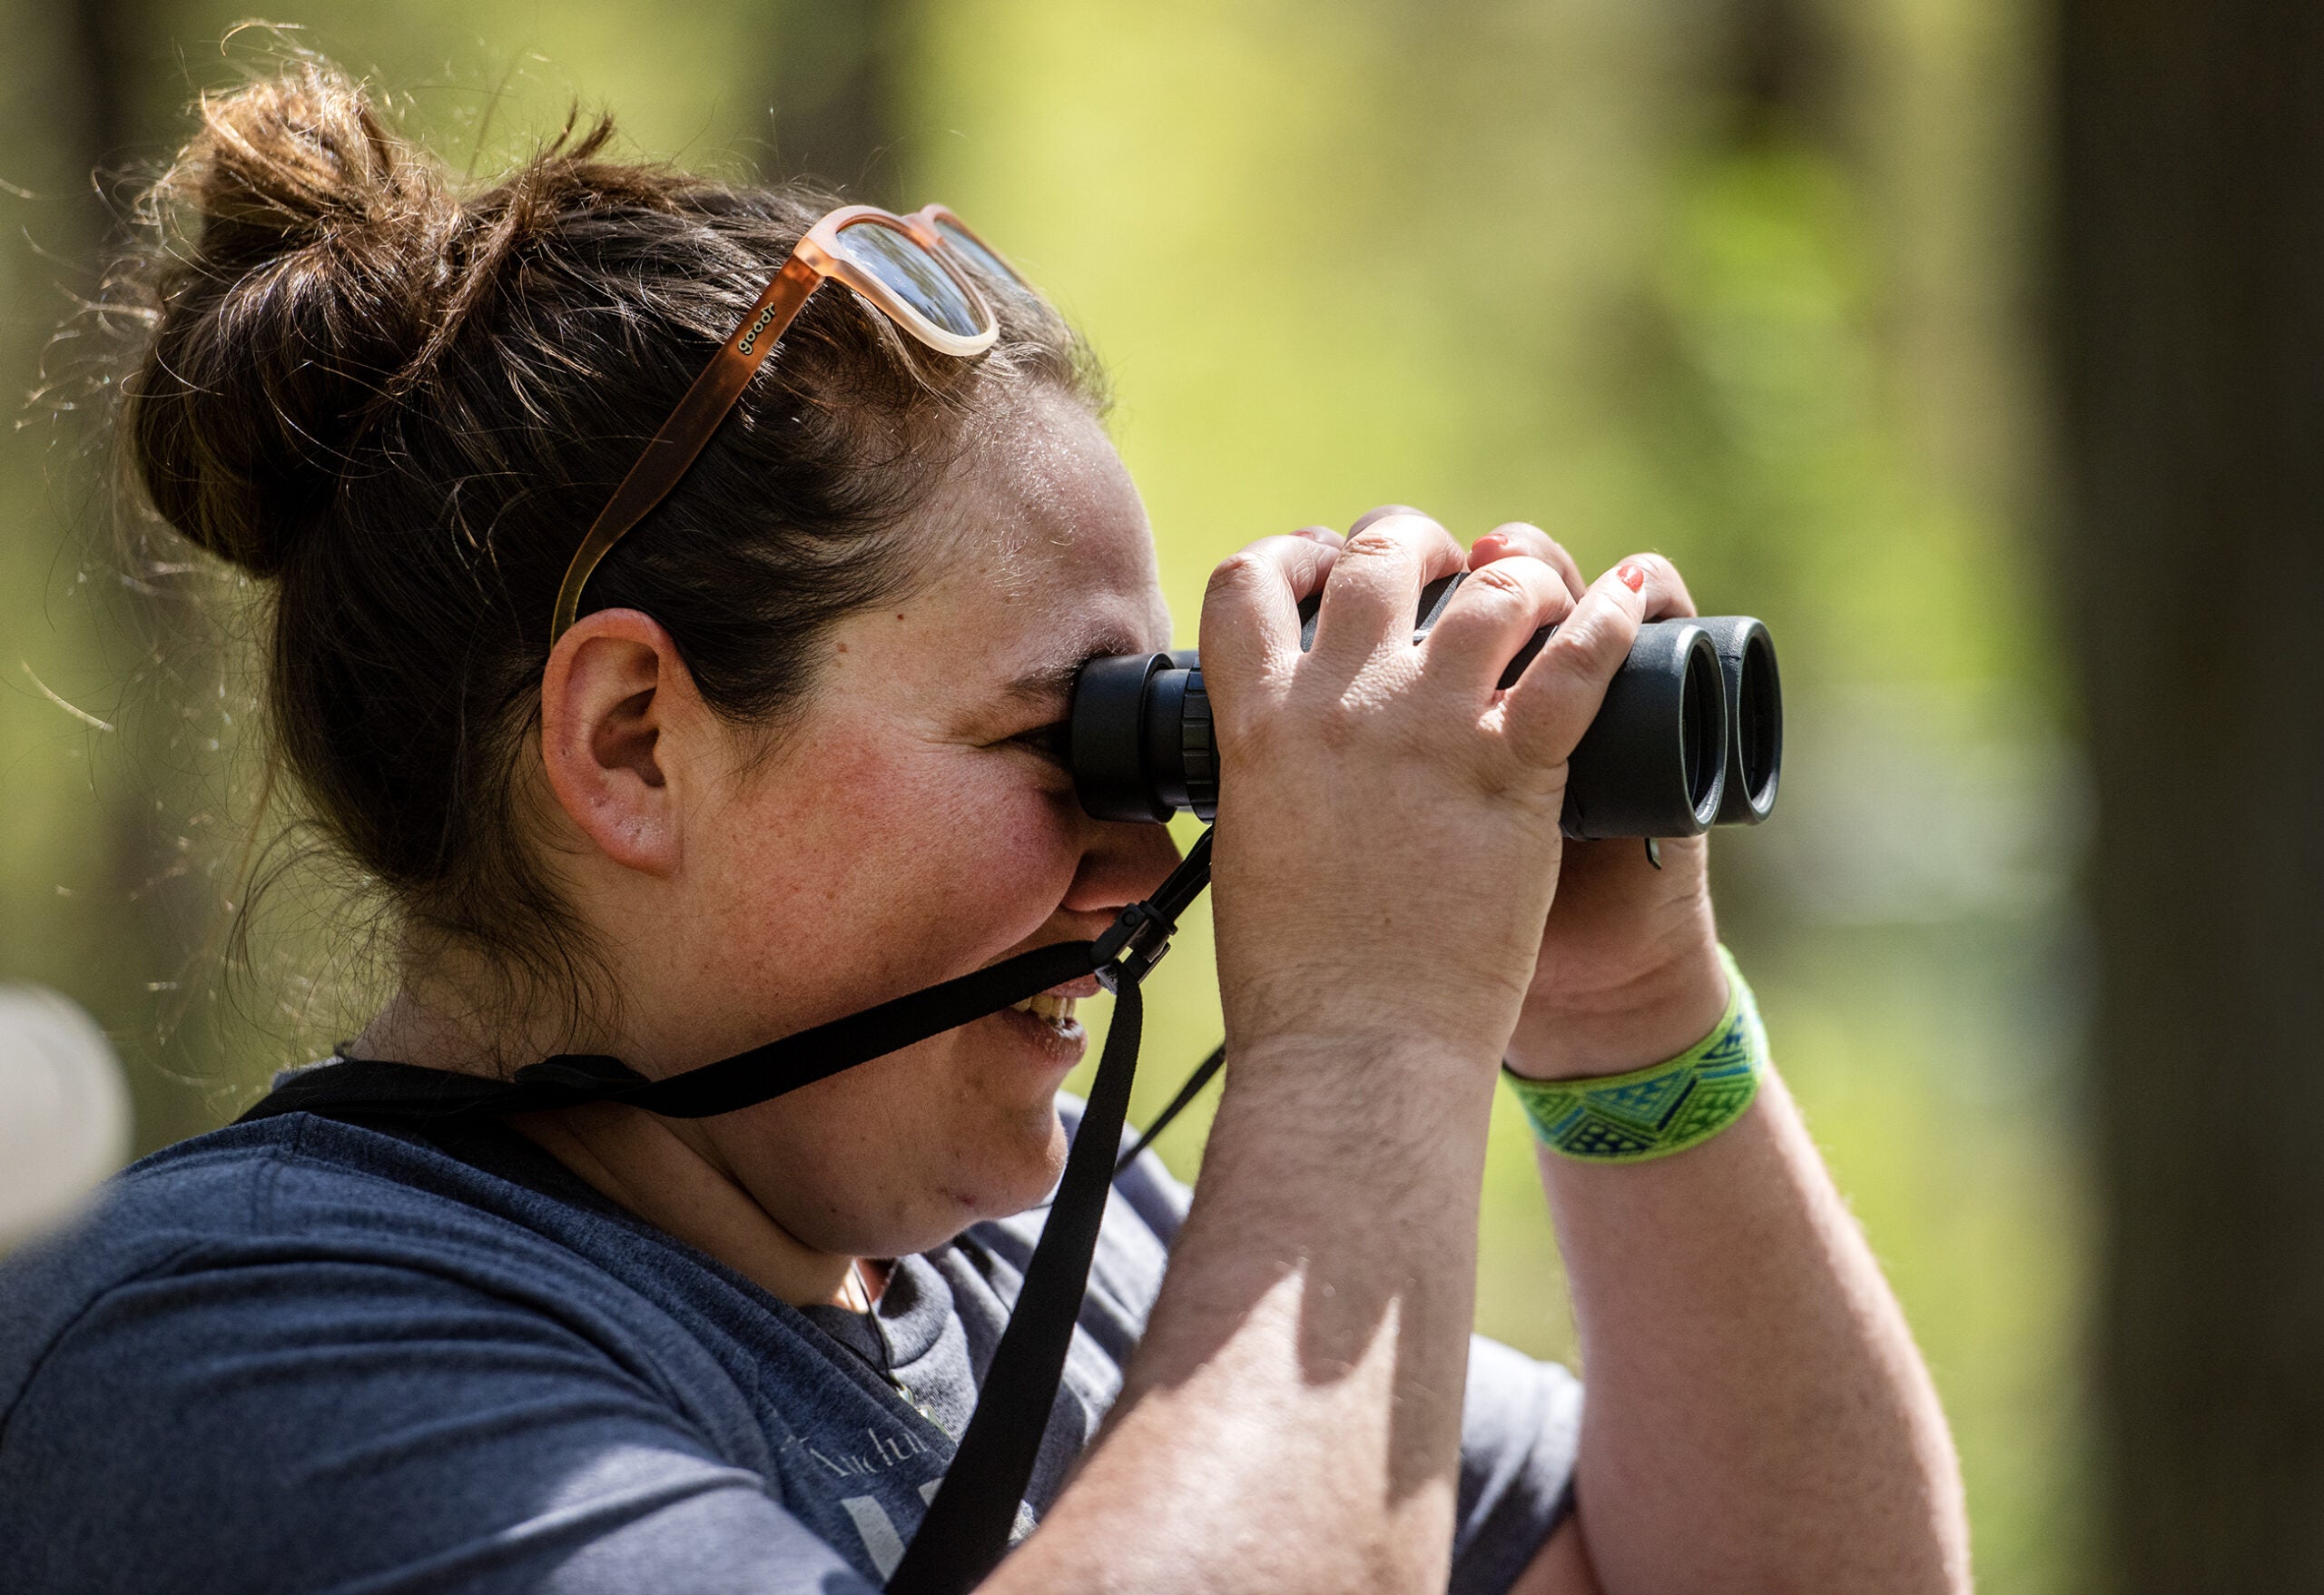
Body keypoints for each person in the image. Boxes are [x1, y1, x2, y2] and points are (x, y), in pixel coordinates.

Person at [0, 60, 1969, 1595]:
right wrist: (1363, 1033)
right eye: (1068, 744)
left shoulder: (1068, 1245)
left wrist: (1629, 1029)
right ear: (631, 742)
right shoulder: (233, 1364)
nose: (1149, 865)